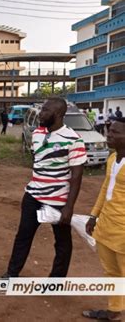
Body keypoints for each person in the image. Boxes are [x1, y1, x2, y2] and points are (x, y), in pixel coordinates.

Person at [2, 98, 86, 278]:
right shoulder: (38, 133)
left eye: (45, 110)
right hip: (33, 196)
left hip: (59, 201)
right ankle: (11, 273)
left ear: (58, 114)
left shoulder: (74, 139)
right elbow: (38, 162)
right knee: (23, 237)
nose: (40, 114)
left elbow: (77, 176)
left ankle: (56, 281)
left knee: (62, 243)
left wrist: (69, 207)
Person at [82, 118, 125, 321]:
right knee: (111, 272)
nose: (109, 135)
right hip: (106, 226)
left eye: (115, 132)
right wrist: (93, 216)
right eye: (109, 131)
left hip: (123, 230)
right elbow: (104, 190)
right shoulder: (112, 159)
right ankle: (114, 310)